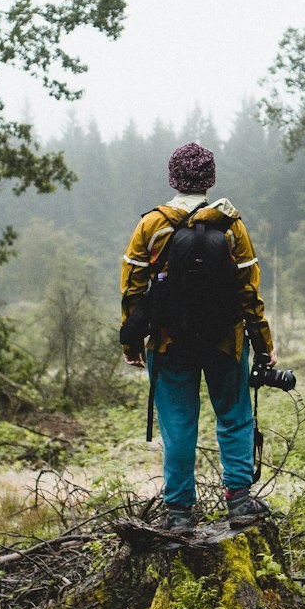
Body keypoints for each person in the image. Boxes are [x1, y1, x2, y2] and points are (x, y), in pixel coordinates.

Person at [120, 141, 277, 532]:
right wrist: (264, 345)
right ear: (210, 179)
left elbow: (132, 290)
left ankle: (179, 513)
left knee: (177, 425)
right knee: (235, 417)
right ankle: (239, 500)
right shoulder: (232, 225)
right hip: (226, 341)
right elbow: (248, 292)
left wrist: (131, 342)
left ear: (173, 178)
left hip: (168, 342)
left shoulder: (150, 226)